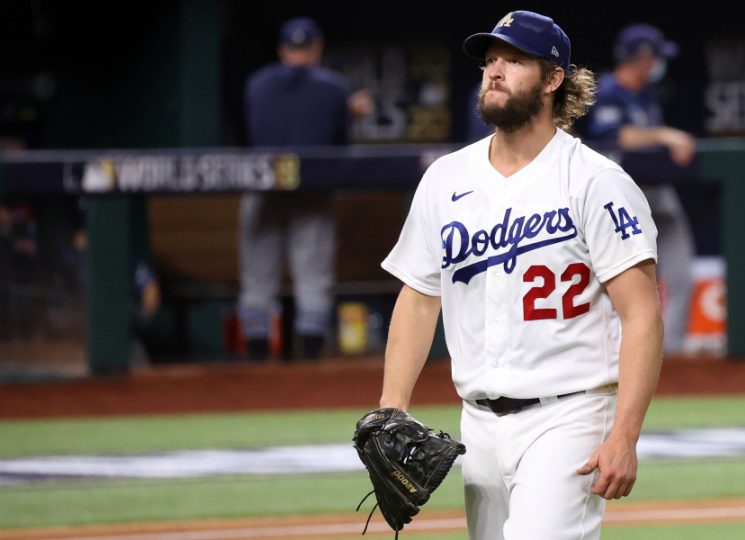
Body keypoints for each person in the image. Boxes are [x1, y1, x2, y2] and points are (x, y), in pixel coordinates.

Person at [378, 10, 664, 539]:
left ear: (554, 79)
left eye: (514, 60)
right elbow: (418, 299)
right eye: (490, 60)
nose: (495, 70)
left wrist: (625, 434)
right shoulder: (445, 179)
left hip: (571, 414)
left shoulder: (594, 181)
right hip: (478, 426)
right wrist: (391, 408)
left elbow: (641, 313)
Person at [239, 17, 371, 361]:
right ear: (317, 49)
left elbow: (251, 135)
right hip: (312, 191)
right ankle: (310, 355)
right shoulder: (335, 87)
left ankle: (255, 356)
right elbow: (341, 146)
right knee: (312, 275)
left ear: (284, 50)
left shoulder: (257, 83)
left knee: (258, 275)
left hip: (263, 188)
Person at [576, 23, 696, 354]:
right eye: (654, 55)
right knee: (617, 283)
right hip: (620, 198)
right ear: (640, 57)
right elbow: (618, 137)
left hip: (658, 193)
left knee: (682, 275)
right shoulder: (609, 90)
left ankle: (672, 355)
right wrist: (664, 135)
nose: (658, 62)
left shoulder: (646, 93)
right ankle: (615, 354)